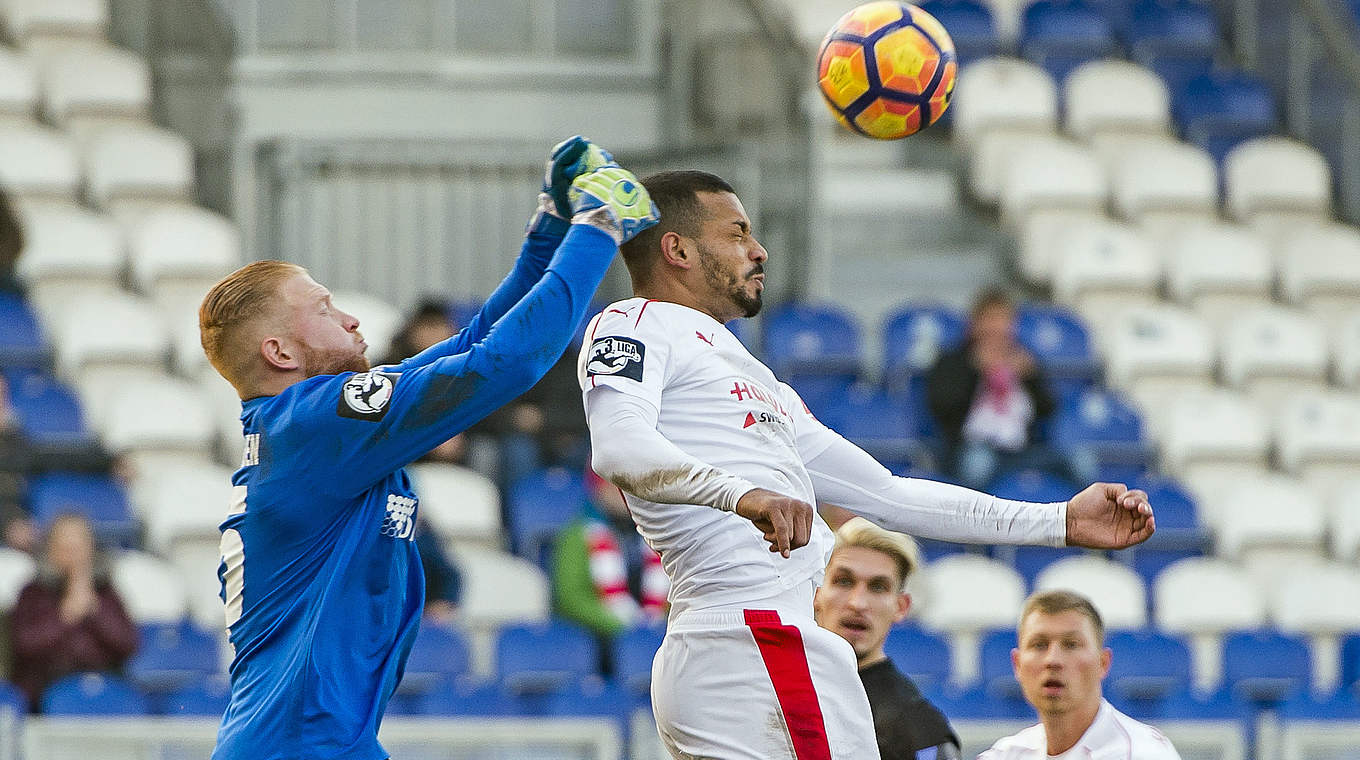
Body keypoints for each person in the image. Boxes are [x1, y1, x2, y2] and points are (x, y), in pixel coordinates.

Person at [577, 170, 1155, 759]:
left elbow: (893, 496)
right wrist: (742, 496)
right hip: (753, 641)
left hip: (772, 647)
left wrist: (1059, 520)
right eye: (737, 234)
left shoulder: (756, 380)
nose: (759, 250)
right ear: (677, 250)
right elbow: (619, 447)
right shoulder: (633, 323)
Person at [199, 136, 658, 760]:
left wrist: (552, 222)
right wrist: (600, 228)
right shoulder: (317, 423)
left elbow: (475, 341)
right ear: (279, 353)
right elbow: (507, 362)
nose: (354, 320)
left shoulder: (308, 427)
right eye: (326, 310)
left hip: (316, 742)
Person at [814, 518, 959, 760]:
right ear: (816, 592)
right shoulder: (769, 688)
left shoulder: (920, 727)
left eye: (878, 587)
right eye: (844, 581)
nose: (857, 603)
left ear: (901, 607)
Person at [979, 590, 1181, 759]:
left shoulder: (1143, 754)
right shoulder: (1004, 755)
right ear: (1017, 665)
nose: (1053, 660)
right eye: (1039, 645)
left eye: (1071, 645)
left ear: (1103, 663)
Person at [925, 289, 1087, 491]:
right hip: (974, 447)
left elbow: (1048, 410)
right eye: (991, 319)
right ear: (975, 325)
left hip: (1022, 452)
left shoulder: (1023, 358)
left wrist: (1031, 378)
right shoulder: (953, 361)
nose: (998, 328)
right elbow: (943, 406)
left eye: (1004, 320)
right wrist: (974, 371)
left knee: (1081, 460)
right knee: (978, 465)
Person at [9, 512, 138, 712]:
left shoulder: (106, 592)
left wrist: (95, 611)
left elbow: (127, 644)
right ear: (50, 549)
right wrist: (66, 616)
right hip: (43, 696)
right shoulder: (33, 593)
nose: (72, 555)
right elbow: (25, 645)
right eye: (65, 547)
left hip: (102, 691)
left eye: (78, 547)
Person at [552, 464, 668, 642]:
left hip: (655, 635)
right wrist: (622, 625)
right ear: (598, 488)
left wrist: (659, 619)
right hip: (599, 640)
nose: (623, 492)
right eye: (614, 484)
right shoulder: (577, 535)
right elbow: (572, 598)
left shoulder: (656, 531)